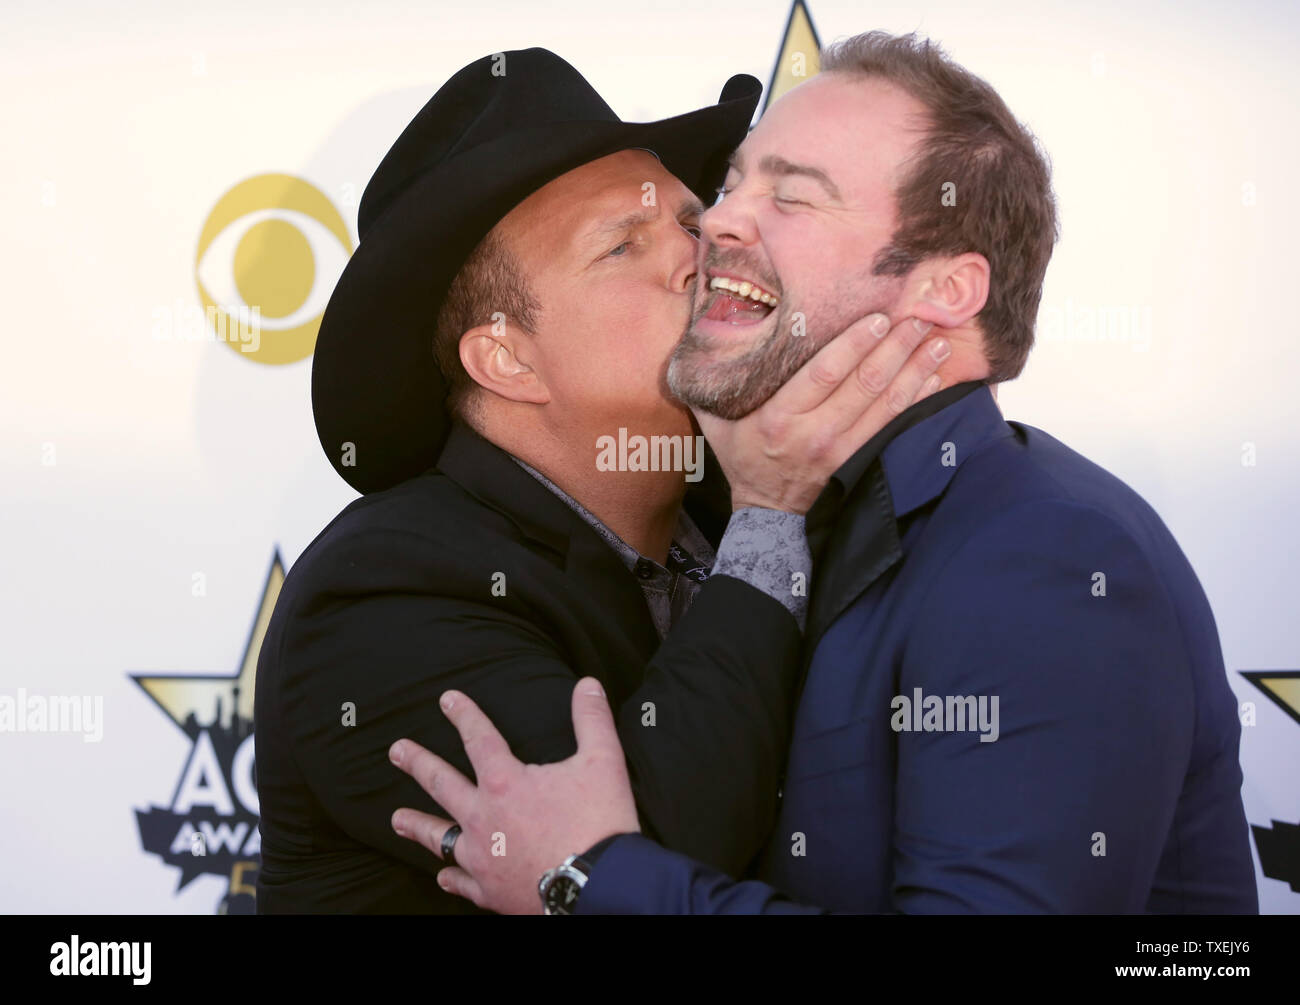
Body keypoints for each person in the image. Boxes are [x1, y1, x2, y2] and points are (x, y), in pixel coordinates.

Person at [386, 31, 1259, 914]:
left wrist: (590, 873)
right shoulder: (795, 521)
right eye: (732, 184)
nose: (715, 221)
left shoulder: (1042, 556)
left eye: (793, 197)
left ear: (947, 290)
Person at [253, 47, 944, 912]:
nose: (700, 257)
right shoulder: (377, 597)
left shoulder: (776, 501)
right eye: (624, 244)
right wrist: (770, 513)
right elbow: (637, 864)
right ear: (505, 358)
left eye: (692, 223)